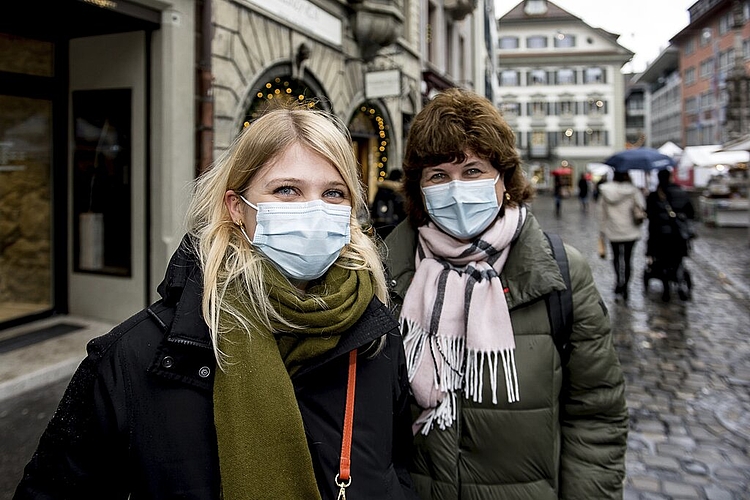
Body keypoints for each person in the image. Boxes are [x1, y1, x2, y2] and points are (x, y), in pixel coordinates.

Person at [14, 105, 418, 500]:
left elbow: (397, 466)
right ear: (236, 207)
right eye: (286, 190)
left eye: (333, 192)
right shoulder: (136, 356)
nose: (313, 210)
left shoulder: (375, 332)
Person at [383, 88, 628, 500]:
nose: (456, 188)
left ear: (504, 179)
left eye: (473, 170)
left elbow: (595, 415)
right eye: (439, 175)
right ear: (419, 188)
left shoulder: (561, 274)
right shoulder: (382, 272)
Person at [646, 168, 695, 301]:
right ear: (671, 177)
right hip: (678, 235)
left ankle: (666, 288)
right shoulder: (681, 192)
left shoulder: (654, 195)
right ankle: (679, 284)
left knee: (662, 262)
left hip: (659, 236)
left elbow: (649, 215)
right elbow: (691, 213)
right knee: (677, 261)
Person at [598, 170, 646, 304]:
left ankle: (618, 281)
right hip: (630, 230)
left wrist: (602, 230)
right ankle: (626, 286)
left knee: (616, 258)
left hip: (613, 230)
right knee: (628, 259)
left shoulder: (606, 190)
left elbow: (602, 212)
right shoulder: (633, 190)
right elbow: (642, 206)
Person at [371, 169, 406, 239]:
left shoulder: (382, 189)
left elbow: (375, 208)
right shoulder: (401, 192)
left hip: (382, 224)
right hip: (395, 224)